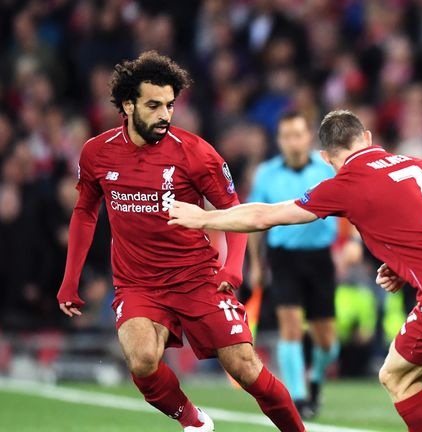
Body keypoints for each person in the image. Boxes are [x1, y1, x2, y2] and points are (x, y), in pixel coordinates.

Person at [168, 109, 422, 432]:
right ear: (367, 138)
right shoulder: (419, 164)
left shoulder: (344, 181)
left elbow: (267, 215)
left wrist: (204, 219)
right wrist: (405, 266)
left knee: (396, 376)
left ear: (328, 158)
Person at [56, 51, 304, 432]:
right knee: (141, 360)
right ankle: (195, 422)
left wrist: (232, 268)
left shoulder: (197, 154)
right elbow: (86, 212)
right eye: (154, 105)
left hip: (197, 278)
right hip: (138, 283)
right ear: (128, 104)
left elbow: (232, 210)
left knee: (245, 366)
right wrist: (70, 279)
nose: (165, 115)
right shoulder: (97, 152)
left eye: (170, 105)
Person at [247, 110, 339, 418]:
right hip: (282, 257)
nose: (293, 142)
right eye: (286, 136)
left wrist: (352, 243)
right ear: (279, 140)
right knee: (290, 328)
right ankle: (299, 400)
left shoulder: (327, 169)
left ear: (308, 136)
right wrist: (256, 264)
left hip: (319, 258)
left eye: (298, 135)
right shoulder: (267, 174)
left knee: (328, 343)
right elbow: (255, 219)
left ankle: (315, 381)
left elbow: (350, 206)